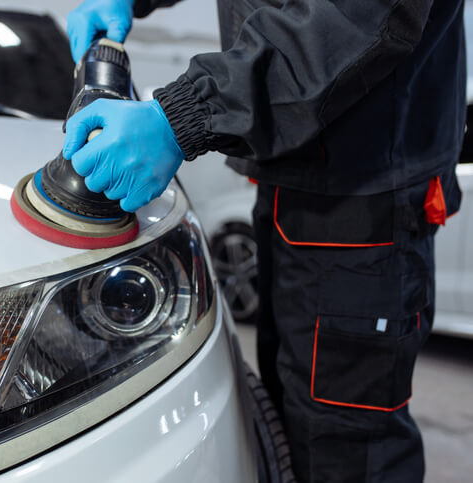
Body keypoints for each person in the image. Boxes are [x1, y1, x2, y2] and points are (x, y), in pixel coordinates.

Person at [62, 0, 465, 481]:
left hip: (363, 198)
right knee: (290, 417)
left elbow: (359, 13)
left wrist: (187, 114)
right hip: (294, 176)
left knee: (344, 449)